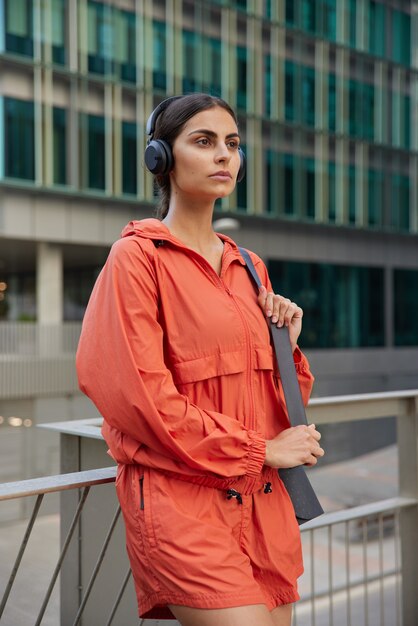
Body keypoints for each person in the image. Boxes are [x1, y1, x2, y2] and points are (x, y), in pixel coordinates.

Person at [76, 93, 324, 626]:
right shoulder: (137, 258)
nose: (223, 156)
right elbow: (141, 400)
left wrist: (288, 347)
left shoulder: (249, 266)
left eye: (232, 144)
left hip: (261, 506)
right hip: (183, 506)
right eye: (204, 141)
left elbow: (280, 407)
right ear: (160, 158)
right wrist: (261, 449)